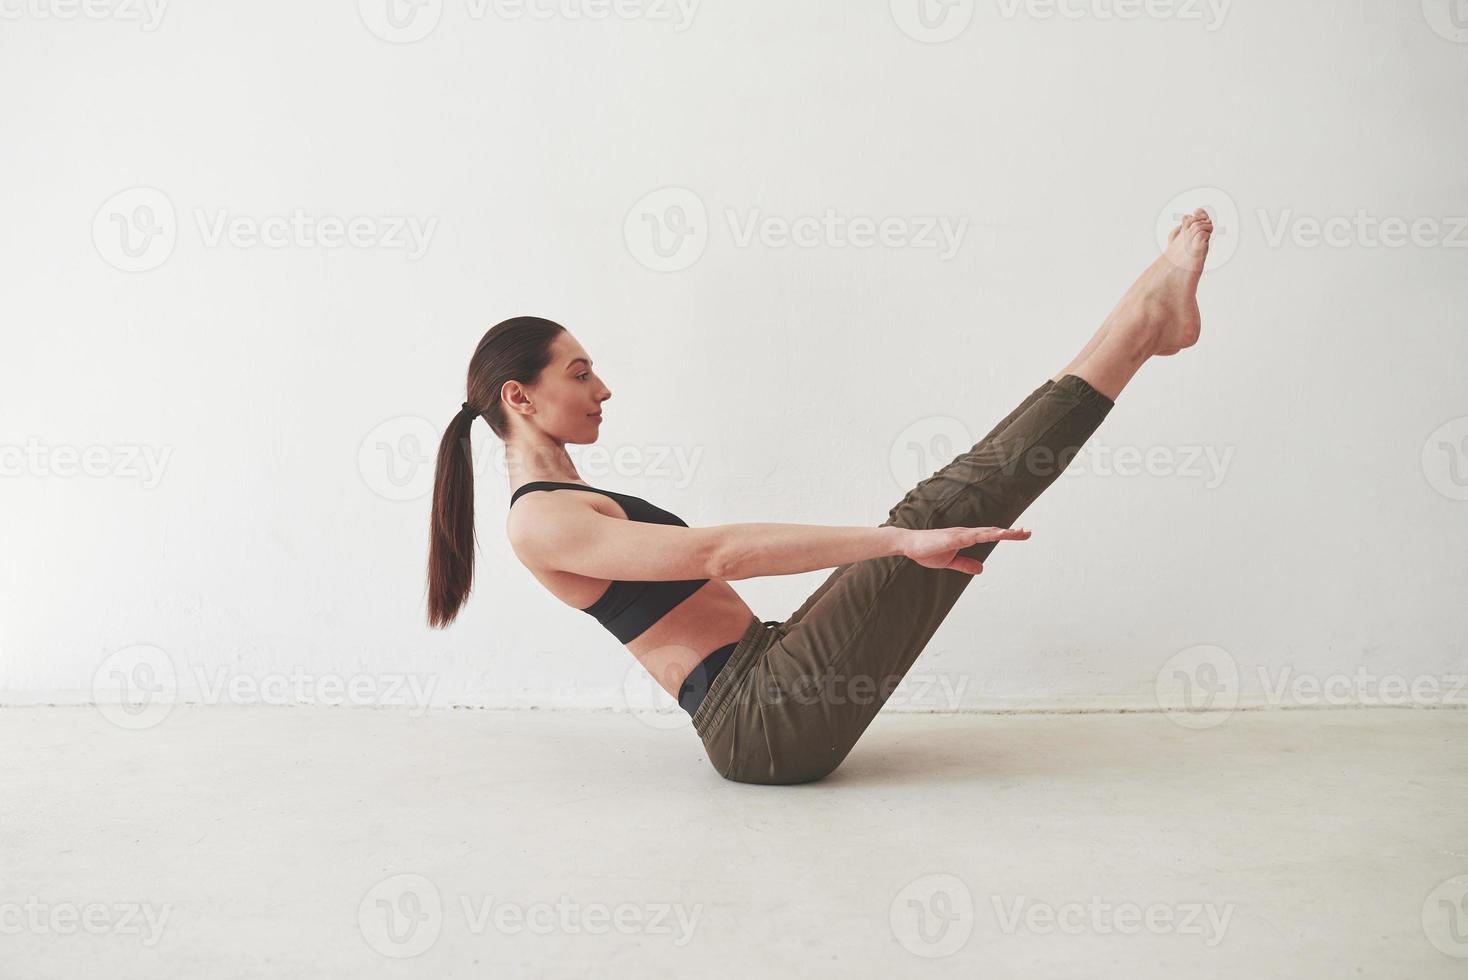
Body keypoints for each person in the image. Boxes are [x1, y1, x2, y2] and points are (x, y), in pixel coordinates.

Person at [427, 209, 1214, 785]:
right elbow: (716, 553)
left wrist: (896, 544)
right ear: (519, 399)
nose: (603, 388)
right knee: (930, 518)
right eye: (577, 373)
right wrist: (896, 545)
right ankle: (1142, 324)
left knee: (933, 512)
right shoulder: (540, 519)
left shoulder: (568, 499)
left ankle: (1143, 323)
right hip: (762, 722)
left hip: (769, 668)